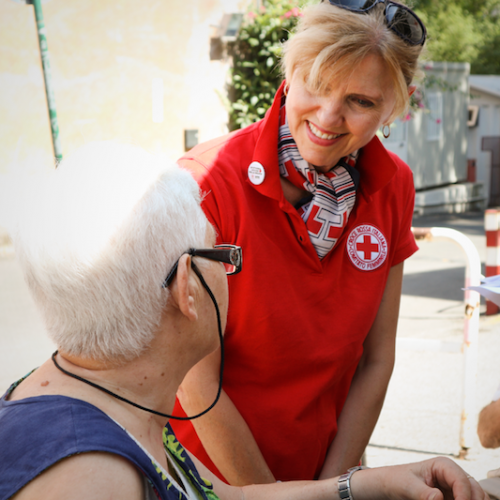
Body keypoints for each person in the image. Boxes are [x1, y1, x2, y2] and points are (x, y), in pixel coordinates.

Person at [0, 141, 487, 500]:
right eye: (223, 253)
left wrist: (364, 485)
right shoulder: (88, 476)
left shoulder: (120, 401)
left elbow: (219, 496)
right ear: (187, 286)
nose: (230, 268)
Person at [171, 0, 426, 485]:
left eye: (362, 101)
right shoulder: (204, 184)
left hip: (324, 471)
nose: (328, 117)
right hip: (208, 481)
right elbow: (193, 378)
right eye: (317, 84)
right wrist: (275, 498)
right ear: (291, 71)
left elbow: (377, 359)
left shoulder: (395, 187)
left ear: (396, 105)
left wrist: (333, 489)